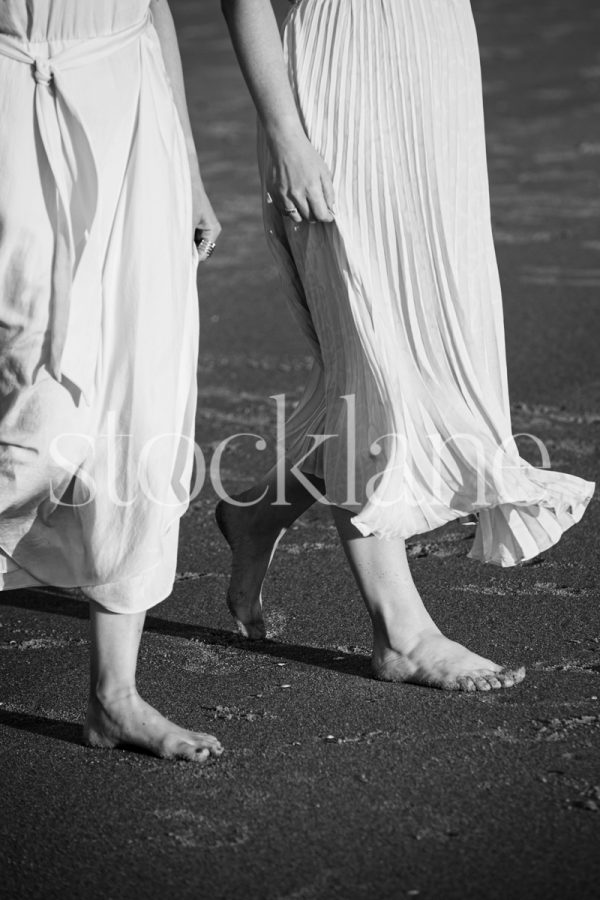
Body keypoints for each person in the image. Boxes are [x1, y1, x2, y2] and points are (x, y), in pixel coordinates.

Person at [218, 0, 595, 691]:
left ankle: (259, 512)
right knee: (373, 352)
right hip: (340, 74)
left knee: (433, 345)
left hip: (435, 60)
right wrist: (284, 132)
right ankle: (403, 632)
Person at [0, 0, 223, 760]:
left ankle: (114, 694)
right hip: (12, 92)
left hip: (131, 101)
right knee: (33, 408)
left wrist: (187, 164)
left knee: (143, 393)